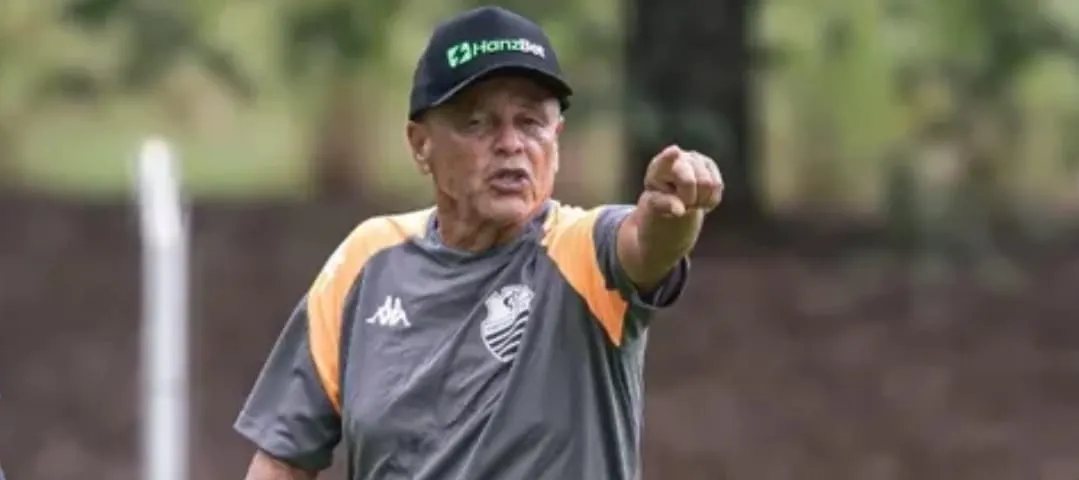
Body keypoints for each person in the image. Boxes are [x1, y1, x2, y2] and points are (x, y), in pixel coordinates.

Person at [235, 5, 722, 480]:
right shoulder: (368, 260)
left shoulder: (582, 252)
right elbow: (284, 459)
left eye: (530, 122)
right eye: (477, 122)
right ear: (420, 143)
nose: (510, 144)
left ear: (557, 137)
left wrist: (671, 209)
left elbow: (647, 246)